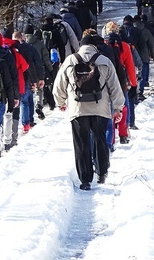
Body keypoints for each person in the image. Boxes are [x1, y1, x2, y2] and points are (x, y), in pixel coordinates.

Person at [53, 35, 125, 191]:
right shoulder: (104, 61)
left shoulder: (70, 60)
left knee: (81, 144)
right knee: (100, 140)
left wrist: (61, 102)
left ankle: (85, 179)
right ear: (94, 47)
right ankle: (101, 172)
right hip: (101, 108)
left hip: (78, 109)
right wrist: (118, 107)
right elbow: (115, 86)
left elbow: (58, 86)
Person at [13, 30, 44, 132]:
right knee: (28, 98)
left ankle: (26, 122)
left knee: (24, 101)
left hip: (18, 78)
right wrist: (38, 78)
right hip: (29, 76)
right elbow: (36, 63)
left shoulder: (12, 49)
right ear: (22, 37)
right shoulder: (30, 48)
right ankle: (29, 120)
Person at [24, 23, 53, 119]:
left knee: (28, 91)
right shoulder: (40, 43)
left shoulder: (23, 43)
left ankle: (28, 114)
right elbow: (45, 57)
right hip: (38, 68)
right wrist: (50, 68)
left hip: (26, 70)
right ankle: (39, 105)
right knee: (39, 90)